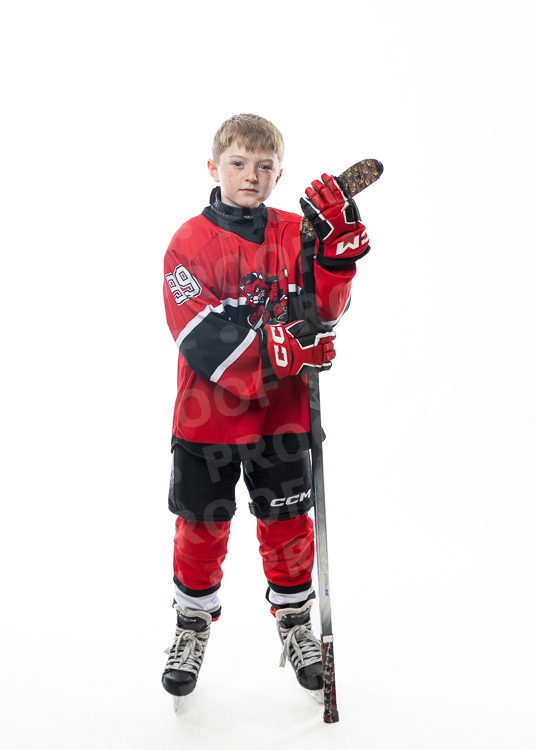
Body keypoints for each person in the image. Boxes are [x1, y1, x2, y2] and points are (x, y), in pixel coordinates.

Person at [161, 114, 370, 703]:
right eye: (238, 163)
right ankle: (191, 625)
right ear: (213, 167)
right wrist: (284, 348)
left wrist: (335, 260)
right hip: (206, 417)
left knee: (288, 526)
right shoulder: (187, 243)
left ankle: (297, 624)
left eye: (264, 166)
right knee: (201, 526)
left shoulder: (295, 232)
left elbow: (323, 313)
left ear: (279, 174)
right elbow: (196, 332)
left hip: (283, 417)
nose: (250, 175)